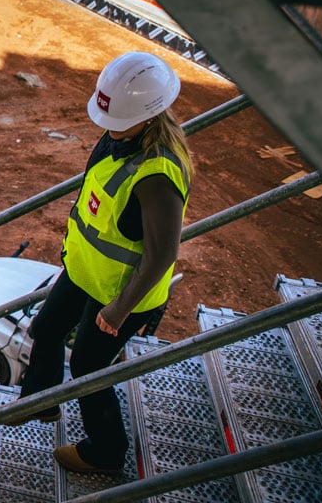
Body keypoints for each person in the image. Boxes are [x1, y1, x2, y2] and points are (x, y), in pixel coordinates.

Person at [10, 51, 193, 475]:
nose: (106, 126)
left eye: (117, 119)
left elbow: (163, 253)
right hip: (86, 272)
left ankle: (106, 452)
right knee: (46, 327)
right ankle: (42, 401)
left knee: (88, 367)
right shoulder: (122, 134)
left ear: (146, 116)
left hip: (122, 292)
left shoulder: (157, 176)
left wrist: (120, 309)